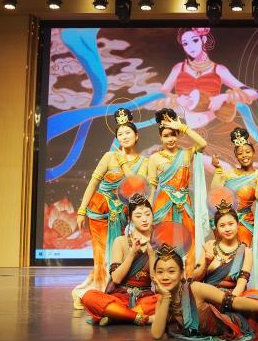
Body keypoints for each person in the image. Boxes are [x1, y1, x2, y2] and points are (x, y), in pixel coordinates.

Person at [71, 108, 148, 308]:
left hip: (122, 214)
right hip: (100, 209)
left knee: (117, 256)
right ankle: (89, 294)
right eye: (120, 134)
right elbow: (93, 183)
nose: (124, 136)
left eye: (128, 132)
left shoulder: (144, 162)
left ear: (137, 135)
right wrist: (81, 210)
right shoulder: (108, 156)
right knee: (101, 257)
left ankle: (108, 294)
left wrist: (123, 163)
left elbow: (135, 186)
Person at [145, 107, 208, 276]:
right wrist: (148, 211)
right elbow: (152, 187)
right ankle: (166, 280)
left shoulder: (187, 154)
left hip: (184, 204)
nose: (170, 139)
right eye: (166, 136)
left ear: (178, 135)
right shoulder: (154, 158)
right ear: (160, 137)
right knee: (164, 241)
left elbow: (203, 144)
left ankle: (188, 279)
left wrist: (182, 127)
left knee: (190, 239)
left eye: (173, 134)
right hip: (163, 204)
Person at [80, 193, 159, 326]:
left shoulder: (157, 244)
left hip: (144, 298)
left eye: (148, 214)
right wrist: (132, 254)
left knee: (164, 299)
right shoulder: (120, 242)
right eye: (138, 216)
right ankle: (138, 317)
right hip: (120, 297)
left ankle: (116, 315)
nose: (144, 219)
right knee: (89, 296)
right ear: (130, 219)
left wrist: (151, 255)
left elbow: (157, 282)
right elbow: (116, 279)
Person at [160, 27, 258, 128]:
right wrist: (176, 101)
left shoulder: (219, 70)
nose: (190, 47)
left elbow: (253, 93)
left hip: (216, 127)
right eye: (185, 43)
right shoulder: (178, 68)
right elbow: (158, 96)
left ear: (204, 39)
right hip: (184, 129)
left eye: (195, 40)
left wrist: (225, 97)